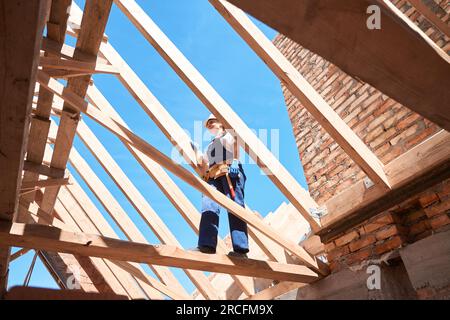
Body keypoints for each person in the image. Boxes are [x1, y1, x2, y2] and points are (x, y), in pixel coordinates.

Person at [193, 114, 249, 257]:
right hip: (214, 176)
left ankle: (241, 249)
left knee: (235, 207)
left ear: (220, 122)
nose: (209, 125)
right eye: (207, 124)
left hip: (230, 171)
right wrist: (196, 151)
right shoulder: (210, 145)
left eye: (212, 122)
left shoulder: (228, 136)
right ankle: (206, 245)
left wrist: (236, 160)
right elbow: (203, 163)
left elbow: (236, 142)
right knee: (208, 206)